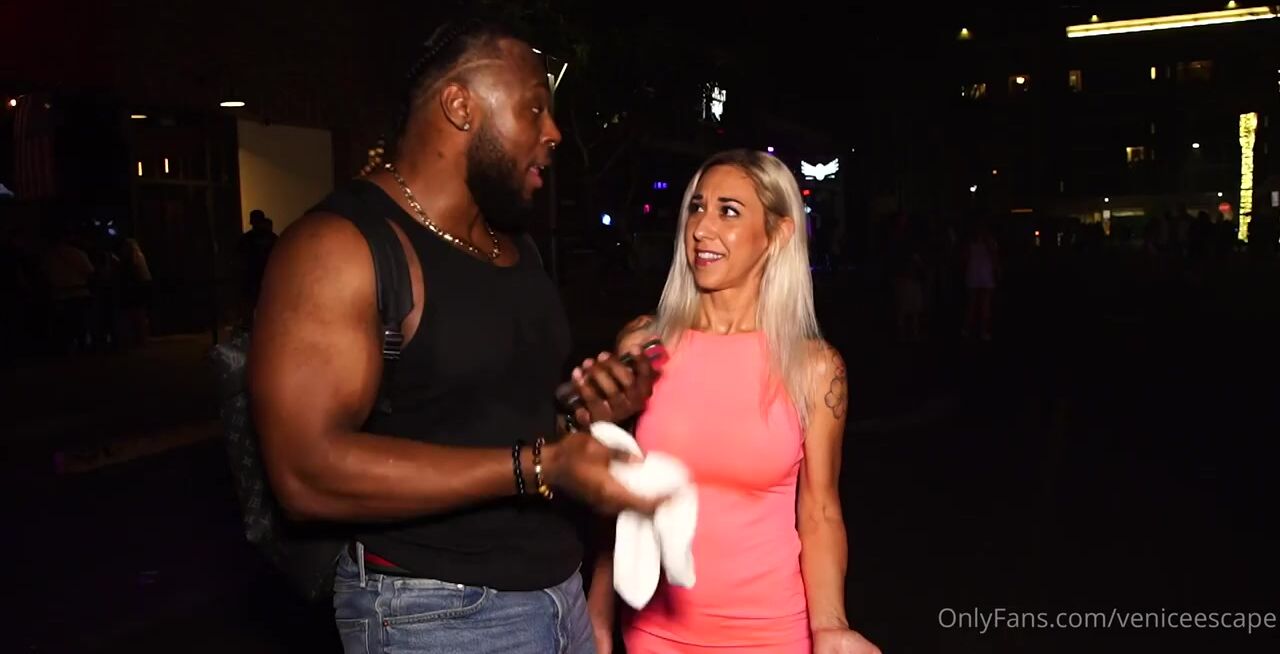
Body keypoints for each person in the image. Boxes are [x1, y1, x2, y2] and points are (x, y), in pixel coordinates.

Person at [247, 19, 663, 654]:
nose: (554, 132)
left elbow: (500, 420)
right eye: (534, 108)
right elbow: (305, 473)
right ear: (460, 106)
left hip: (560, 593)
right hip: (434, 611)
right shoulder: (338, 248)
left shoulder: (516, 248)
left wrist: (586, 415)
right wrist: (541, 466)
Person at [582, 150, 881, 654]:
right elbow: (623, 493)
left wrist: (830, 624)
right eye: (697, 208)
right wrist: (598, 610)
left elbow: (820, 510)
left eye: (729, 211)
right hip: (654, 632)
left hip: (770, 633)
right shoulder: (646, 345)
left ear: (779, 234)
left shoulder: (814, 368)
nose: (702, 228)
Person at [961, 217, 999, 342]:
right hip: (982, 275)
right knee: (980, 305)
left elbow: (965, 258)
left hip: (977, 274)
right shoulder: (987, 242)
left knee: (976, 305)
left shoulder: (974, 242)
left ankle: (971, 330)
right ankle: (979, 331)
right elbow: (995, 259)